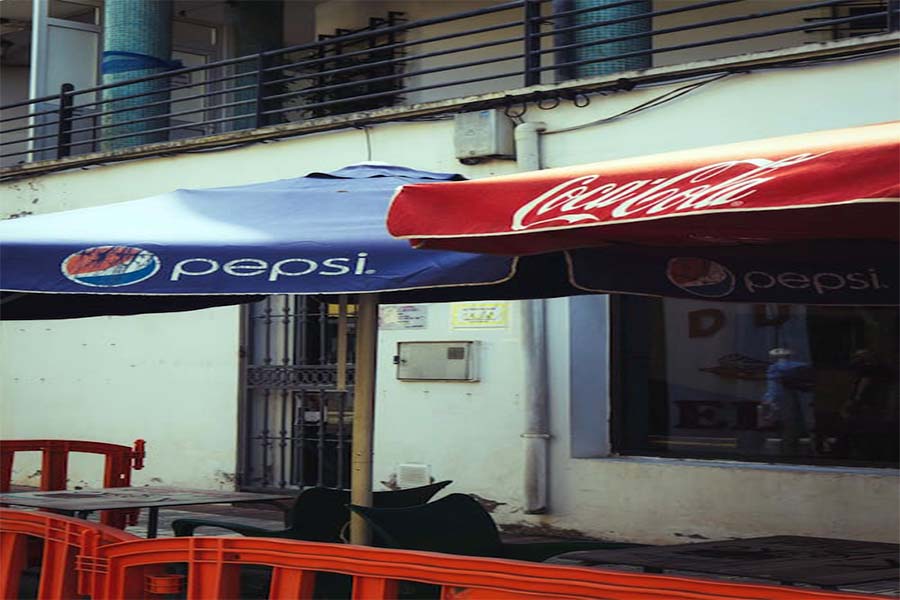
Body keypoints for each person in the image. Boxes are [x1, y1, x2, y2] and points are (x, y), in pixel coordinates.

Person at [759, 348, 815, 455]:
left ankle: (788, 457)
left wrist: (767, 401)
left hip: (784, 405)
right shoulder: (803, 366)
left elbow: (773, 390)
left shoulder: (774, 368)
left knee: (787, 436)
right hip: (803, 406)